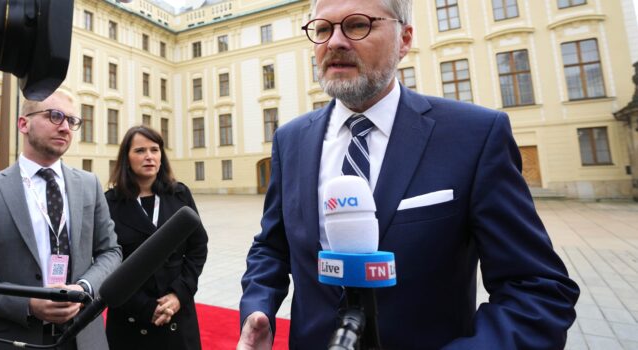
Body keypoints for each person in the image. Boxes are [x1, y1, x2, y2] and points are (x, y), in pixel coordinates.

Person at [237, 0, 580, 349]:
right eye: (323, 29)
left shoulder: (475, 135)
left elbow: (537, 291)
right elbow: (272, 247)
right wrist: (257, 307)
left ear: (404, 39)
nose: (335, 42)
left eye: (357, 25)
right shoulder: (290, 140)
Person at [0, 91, 122, 350]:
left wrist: (84, 288)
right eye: (55, 116)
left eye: (72, 121)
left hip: (83, 337)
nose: (65, 127)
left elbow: (111, 252)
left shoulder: (89, 184)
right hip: (16, 337)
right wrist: (28, 303)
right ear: (23, 124)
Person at [104, 125, 208, 350]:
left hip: (177, 315)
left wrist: (179, 294)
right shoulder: (110, 203)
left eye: (155, 149)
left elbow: (198, 247)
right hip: (130, 318)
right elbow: (105, 260)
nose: (149, 156)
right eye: (140, 151)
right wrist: (145, 307)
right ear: (126, 158)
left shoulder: (179, 195)